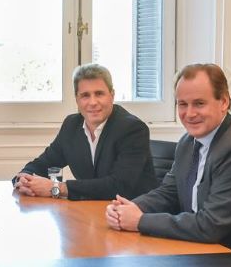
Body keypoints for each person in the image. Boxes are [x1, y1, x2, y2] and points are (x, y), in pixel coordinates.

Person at [105, 64, 231, 267]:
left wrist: (140, 221)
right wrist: (129, 208)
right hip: (215, 256)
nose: (189, 113)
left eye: (199, 103)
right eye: (182, 104)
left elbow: (210, 225)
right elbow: (169, 192)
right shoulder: (188, 142)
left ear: (224, 102)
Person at [13, 64, 157, 200]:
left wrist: (57, 188)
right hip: (91, 209)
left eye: (99, 94)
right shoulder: (71, 125)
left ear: (112, 95)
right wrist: (24, 179)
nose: (93, 102)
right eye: (85, 95)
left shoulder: (132, 129)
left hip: (133, 211)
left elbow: (119, 186)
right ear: (77, 99)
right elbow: (44, 163)